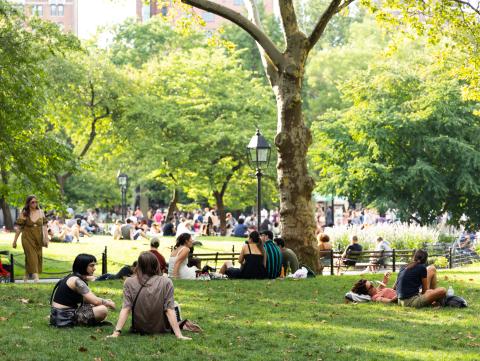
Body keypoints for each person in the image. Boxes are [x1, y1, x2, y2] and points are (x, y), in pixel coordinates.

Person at [108, 252, 191, 339]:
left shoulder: (129, 282)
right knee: (175, 304)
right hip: (161, 329)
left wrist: (116, 332)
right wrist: (179, 335)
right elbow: (169, 309)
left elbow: (126, 308)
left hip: (139, 328)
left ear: (139, 265)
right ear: (156, 264)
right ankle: (180, 324)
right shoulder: (166, 282)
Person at [50, 254, 116, 327]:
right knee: (102, 310)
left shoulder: (71, 277)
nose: (94, 268)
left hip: (57, 316)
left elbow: (87, 300)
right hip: (64, 319)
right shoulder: (77, 281)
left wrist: (104, 300)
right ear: (82, 266)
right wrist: (108, 303)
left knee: (94, 305)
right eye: (91, 265)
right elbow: (95, 301)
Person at [12, 195, 48, 283]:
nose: (35, 204)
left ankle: (26, 276)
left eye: (36, 202)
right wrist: (14, 241)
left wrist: (46, 238)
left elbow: (44, 226)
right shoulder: (24, 213)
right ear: (28, 203)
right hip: (27, 238)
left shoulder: (41, 212)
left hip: (38, 238)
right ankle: (36, 277)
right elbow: (19, 228)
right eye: (32, 202)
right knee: (32, 256)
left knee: (36, 256)